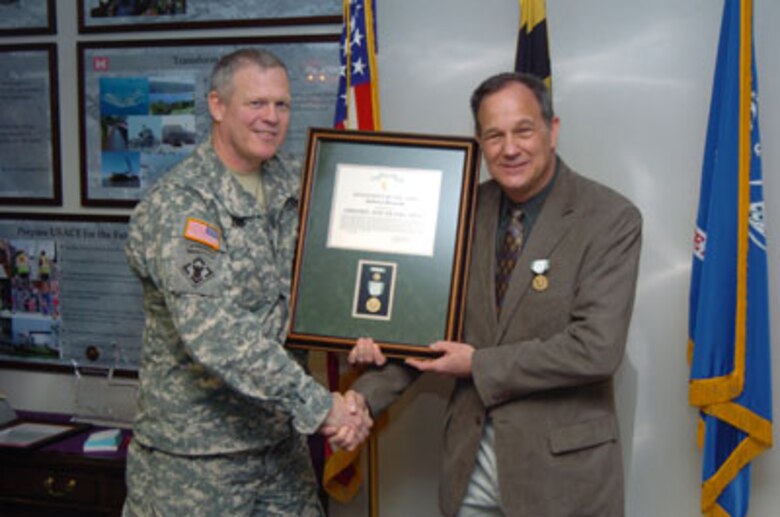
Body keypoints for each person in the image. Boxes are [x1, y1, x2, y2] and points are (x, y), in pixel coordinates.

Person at [349, 72, 642, 516]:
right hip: (470, 472)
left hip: (563, 481)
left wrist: (479, 364)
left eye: (523, 130)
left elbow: (597, 348)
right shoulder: (458, 210)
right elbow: (426, 329)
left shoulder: (610, 218)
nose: (510, 148)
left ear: (552, 129)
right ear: (479, 142)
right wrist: (361, 400)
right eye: (494, 135)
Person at [122, 48, 372, 517]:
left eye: (282, 105)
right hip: (197, 464)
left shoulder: (293, 185)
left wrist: (364, 329)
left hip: (279, 449)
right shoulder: (183, 205)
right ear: (218, 106)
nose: (271, 118)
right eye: (256, 103)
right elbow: (217, 332)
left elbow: (327, 279)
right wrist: (322, 407)